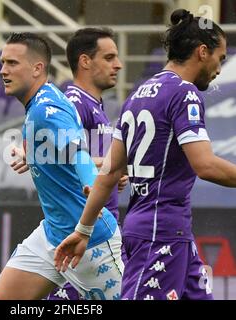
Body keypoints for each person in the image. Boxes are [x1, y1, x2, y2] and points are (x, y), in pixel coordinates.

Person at [54, 9, 234, 300]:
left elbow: (110, 172)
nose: (219, 68)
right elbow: (206, 165)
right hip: (159, 233)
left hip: (168, 232)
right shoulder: (185, 93)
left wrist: (84, 230)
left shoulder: (136, 95)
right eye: (220, 58)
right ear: (203, 52)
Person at [0, 32, 124, 300]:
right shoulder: (44, 99)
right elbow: (67, 150)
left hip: (89, 240)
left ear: (37, 68)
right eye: (3, 63)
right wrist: (35, 155)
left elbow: (78, 155)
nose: (3, 71)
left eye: (12, 63)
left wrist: (91, 181)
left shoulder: (46, 108)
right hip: (52, 233)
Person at [47, 27, 128, 301]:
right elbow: (62, 157)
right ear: (85, 61)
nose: (118, 64)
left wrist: (109, 171)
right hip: (89, 235)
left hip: (97, 230)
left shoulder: (94, 104)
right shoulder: (74, 103)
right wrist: (109, 167)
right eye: (109, 57)